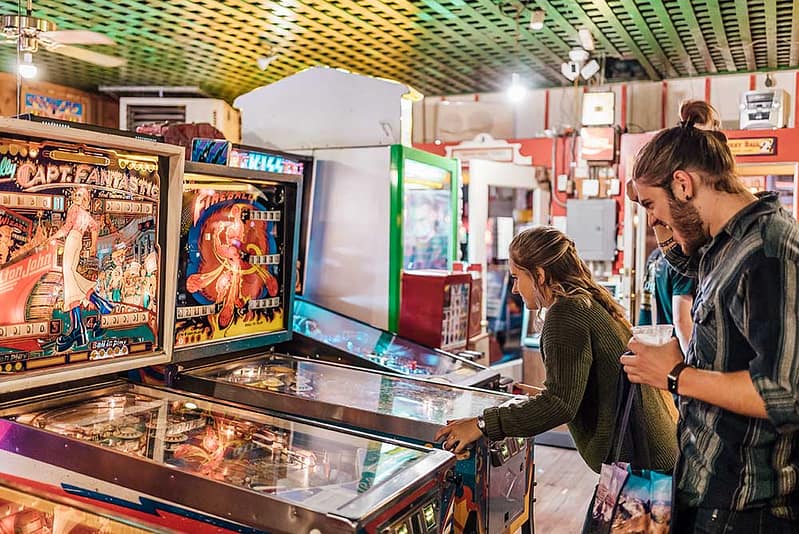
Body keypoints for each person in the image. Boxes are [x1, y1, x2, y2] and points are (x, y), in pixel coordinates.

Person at [622, 100, 799, 533]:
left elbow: (784, 393)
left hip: (744, 507)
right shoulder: (725, 241)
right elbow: (687, 262)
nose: (652, 221)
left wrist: (674, 374)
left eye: (651, 205)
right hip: (707, 488)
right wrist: (665, 215)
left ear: (683, 184)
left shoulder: (768, 249)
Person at [434, 226, 677, 476]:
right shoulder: (585, 301)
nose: (515, 289)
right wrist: (542, 398)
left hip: (643, 465)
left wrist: (481, 424)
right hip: (654, 450)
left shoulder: (566, 312)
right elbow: (585, 387)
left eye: (517, 277)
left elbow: (560, 405)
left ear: (539, 275)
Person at [638, 246, 695, 353]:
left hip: (650, 343)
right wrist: (692, 362)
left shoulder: (655, 255)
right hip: (673, 348)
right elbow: (682, 321)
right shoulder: (682, 261)